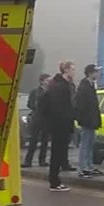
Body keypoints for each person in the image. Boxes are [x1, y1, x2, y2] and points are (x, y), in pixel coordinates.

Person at [42, 62, 76, 191]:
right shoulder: (60, 86)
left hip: (58, 123)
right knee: (57, 152)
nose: (74, 72)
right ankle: (54, 182)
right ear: (65, 70)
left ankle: (55, 180)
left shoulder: (58, 84)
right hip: (60, 124)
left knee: (58, 152)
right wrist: (66, 119)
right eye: (72, 69)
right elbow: (60, 107)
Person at [74, 64, 102, 178]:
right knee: (85, 144)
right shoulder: (84, 87)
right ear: (90, 73)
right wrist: (84, 119)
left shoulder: (91, 85)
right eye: (96, 72)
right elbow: (81, 106)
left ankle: (89, 166)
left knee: (91, 144)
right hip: (87, 121)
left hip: (92, 121)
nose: (98, 74)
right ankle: (82, 168)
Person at [22, 74, 50, 168]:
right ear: (42, 81)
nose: (49, 82)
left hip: (47, 119)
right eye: (47, 80)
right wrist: (37, 107)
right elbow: (30, 104)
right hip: (37, 118)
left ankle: (42, 160)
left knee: (45, 140)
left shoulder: (51, 91)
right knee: (33, 139)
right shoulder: (35, 92)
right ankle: (28, 160)